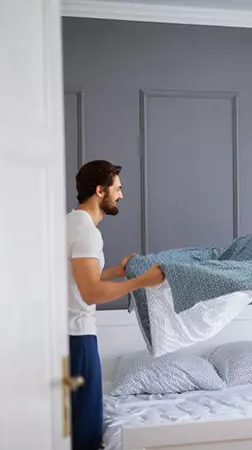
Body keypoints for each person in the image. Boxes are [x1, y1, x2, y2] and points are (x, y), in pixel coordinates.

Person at [67, 160, 165, 450]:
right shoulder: (87, 232)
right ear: (100, 191)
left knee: (69, 425)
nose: (121, 196)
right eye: (117, 189)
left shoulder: (69, 222)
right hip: (78, 336)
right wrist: (141, 282)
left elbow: (76, 276)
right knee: (85, 429)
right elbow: (91, 293)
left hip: (63, 337)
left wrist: (116, 271)